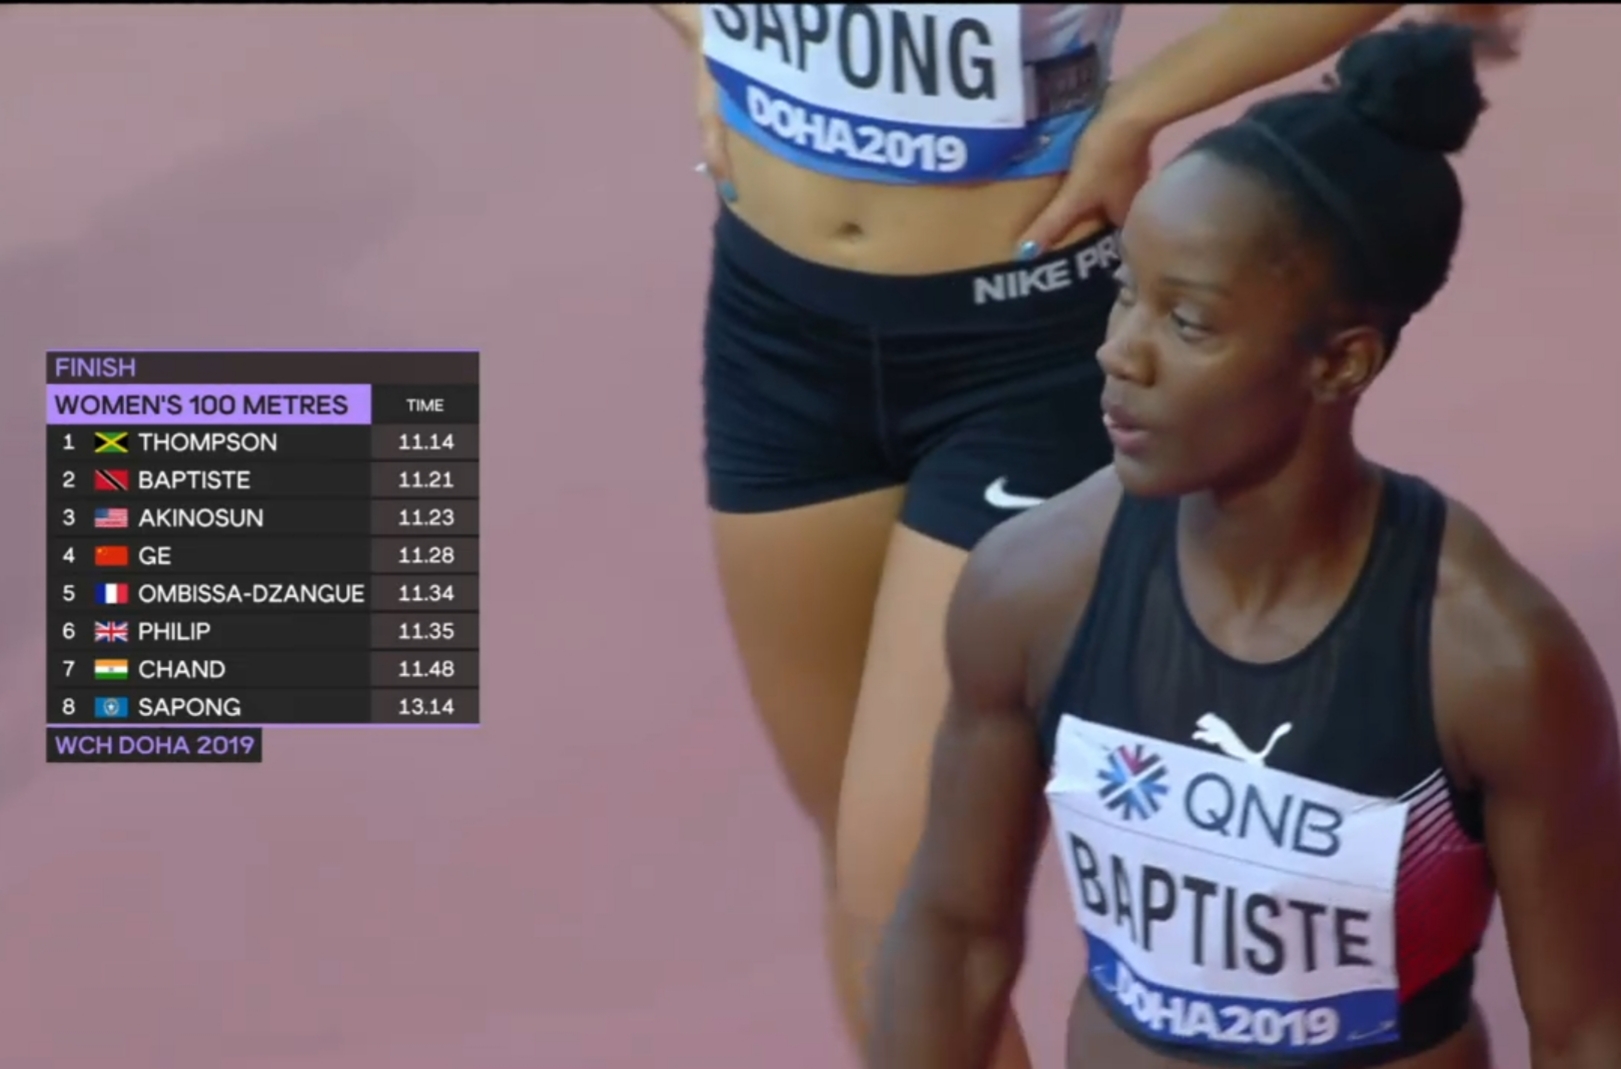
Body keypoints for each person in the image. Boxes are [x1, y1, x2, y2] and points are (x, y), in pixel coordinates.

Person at [648, 5, 1437, 1066]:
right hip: (775, 324)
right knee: (855, 856)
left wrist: (1147, 101)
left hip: (1015, 344)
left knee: (901, 888)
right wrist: (710, 31)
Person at [867, 21, 1621, 1069]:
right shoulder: (1036, 584)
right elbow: (953, 938)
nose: (1118, 353)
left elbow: (1585, 1028)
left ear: (1340, 363)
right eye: (1127, 293)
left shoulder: (1489, 659)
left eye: (1188, 323)